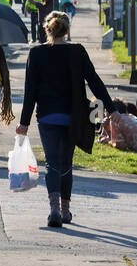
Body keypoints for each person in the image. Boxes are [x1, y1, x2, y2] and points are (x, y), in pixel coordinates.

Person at [16, 11, 115, 227]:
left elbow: (30, 91)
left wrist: (24, 123)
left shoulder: (37, 53)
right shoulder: (77, 51)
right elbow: (95, 81)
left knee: (52, 163)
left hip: (47, 117)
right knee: (66, 163)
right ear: (67, 30)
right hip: (73, 117)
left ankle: (53, 210)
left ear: (47, 30)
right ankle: (66, 210)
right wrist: (112, 109)